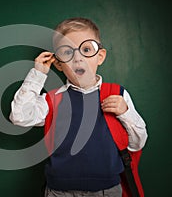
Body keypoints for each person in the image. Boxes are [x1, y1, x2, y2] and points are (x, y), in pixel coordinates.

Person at [9, 17, 147, 197]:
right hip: (59, 191)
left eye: (86, 50)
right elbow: (19, 116)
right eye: (67, 52)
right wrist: (37, 75)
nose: (78, 58)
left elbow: (137, 144)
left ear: (100, 56)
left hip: (107, 191)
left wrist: (125, 113)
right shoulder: (53, 100)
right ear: (58, 64)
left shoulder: (117, 94)